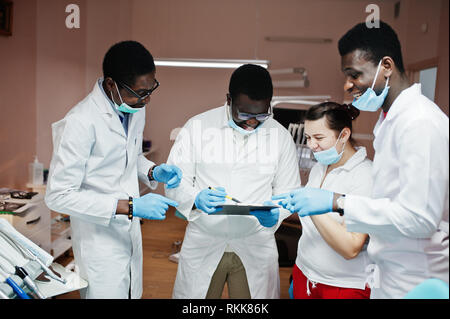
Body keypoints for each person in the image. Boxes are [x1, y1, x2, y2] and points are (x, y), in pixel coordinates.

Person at [274, 21, 449, 299]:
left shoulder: (421, 123)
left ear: (387, 67)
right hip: (386, 275)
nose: (347, 85)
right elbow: (390, 205)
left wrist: (336, 202)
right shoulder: (389, 123)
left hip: (417, 282)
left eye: (355, 74)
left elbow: (419, 218)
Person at [45, 41, 182, 299]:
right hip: (99, 240)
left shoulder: (134, 108)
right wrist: (129, 207)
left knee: (132, 292)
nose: (147, 99)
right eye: (141, 93)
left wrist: (153, 171)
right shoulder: (80, 122)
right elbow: (58, 195)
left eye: (151, 90)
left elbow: (129, 158)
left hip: (128, 233)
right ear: (111, 84)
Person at [165, 64, 301, 298]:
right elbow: (175, 182)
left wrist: (275, 214)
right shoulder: (197, 127)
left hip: (255, 243)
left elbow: (288, 191)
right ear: (229, 100)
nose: (252, 122)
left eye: (260, 115)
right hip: (205, 239)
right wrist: (195, 198)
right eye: (244, 114)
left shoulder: (280, 136)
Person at [287, 102, 373, 299]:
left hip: (342, 285)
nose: (311, 145)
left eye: (318, 138)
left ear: (344, 135)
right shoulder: (320, 167)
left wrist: (312, 208)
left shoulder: (366, 175)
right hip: (304, 273)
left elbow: (351, 247)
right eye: (308, 137)